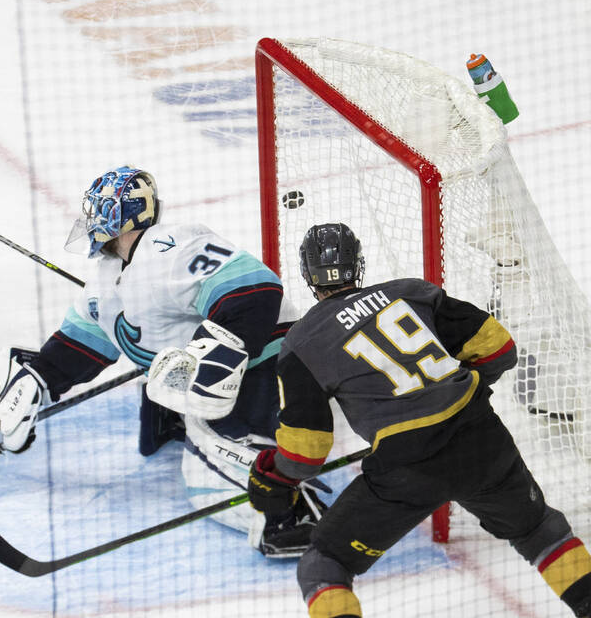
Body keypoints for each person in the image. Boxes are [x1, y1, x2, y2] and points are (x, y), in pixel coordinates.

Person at [0, 165, 316, 555]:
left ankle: (292, 516)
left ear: (119, 213)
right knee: (164, 383)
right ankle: (185, 423)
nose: (90, 220)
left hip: (269, 366)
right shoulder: (107, 275)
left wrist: (210, 360)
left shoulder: (172, 245)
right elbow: (81, 344)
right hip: (212, 384)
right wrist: (35, 381)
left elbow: (256, 291)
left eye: (97, 210)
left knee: (209, 482)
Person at [247, 223, 591, 617]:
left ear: (308, 275)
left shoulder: (302, 343)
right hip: (482, 442)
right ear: (358, 264)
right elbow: (500, 348)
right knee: (540, 532)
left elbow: (306, 453)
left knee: (324, 564)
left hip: (406, 470)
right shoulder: (411, 292)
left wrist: (273, 478)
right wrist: (466, 385)